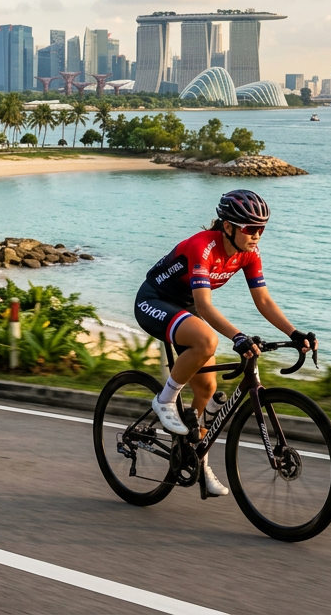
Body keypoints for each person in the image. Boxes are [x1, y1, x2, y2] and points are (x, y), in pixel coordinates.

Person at [132, 189, 315, 496]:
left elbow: (264, 300)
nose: (257, 236)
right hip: (155, 300)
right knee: (207, 339)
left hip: (184, 307)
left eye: (262, 229)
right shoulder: (202, 247)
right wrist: (237, 336)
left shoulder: (248, 253)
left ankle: (197, 461)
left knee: (207, 389)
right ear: (228, 226)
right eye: (250, 229)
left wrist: (294, 333)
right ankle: (163, 401)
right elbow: (204, 307)